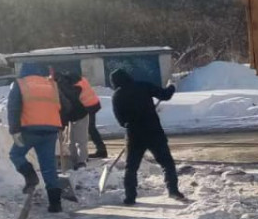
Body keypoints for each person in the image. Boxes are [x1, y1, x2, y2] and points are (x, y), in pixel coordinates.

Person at [110, 68, 186, 205]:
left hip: (134, 135)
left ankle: (130, 197)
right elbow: (165, 95)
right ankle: (173, 190)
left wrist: (131, 122)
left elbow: (121, 121)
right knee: (167, 163)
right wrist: (172, 86)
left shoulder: (117, 96)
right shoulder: (143, 86)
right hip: (153, 132)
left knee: (131, 167)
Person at [6, 62, 65, 213]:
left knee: (15, 154)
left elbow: (13, 108)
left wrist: (14, 130)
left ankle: (30, 176)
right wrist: (60, 124)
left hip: (29, 130)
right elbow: (65, 105)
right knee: (49, 167)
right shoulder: (50, 85)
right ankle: (55, 204)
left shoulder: (20, 84)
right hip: (50, 130)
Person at [54, 71, 90, 169]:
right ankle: (78, 161)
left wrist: (62, 124)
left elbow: (64, 108)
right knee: (78, 139)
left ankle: (79, 161)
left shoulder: (59, 89)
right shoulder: (68, 83)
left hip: (78, 113)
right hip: (80, 112)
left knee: (76, 139)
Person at [77, 74, 107, 158]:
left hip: (87, 106)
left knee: (89, 128)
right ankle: (101, 149)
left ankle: (101, 150)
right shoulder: (81, 79)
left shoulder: (72, 85)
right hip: (93, 104)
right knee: (91, 128)